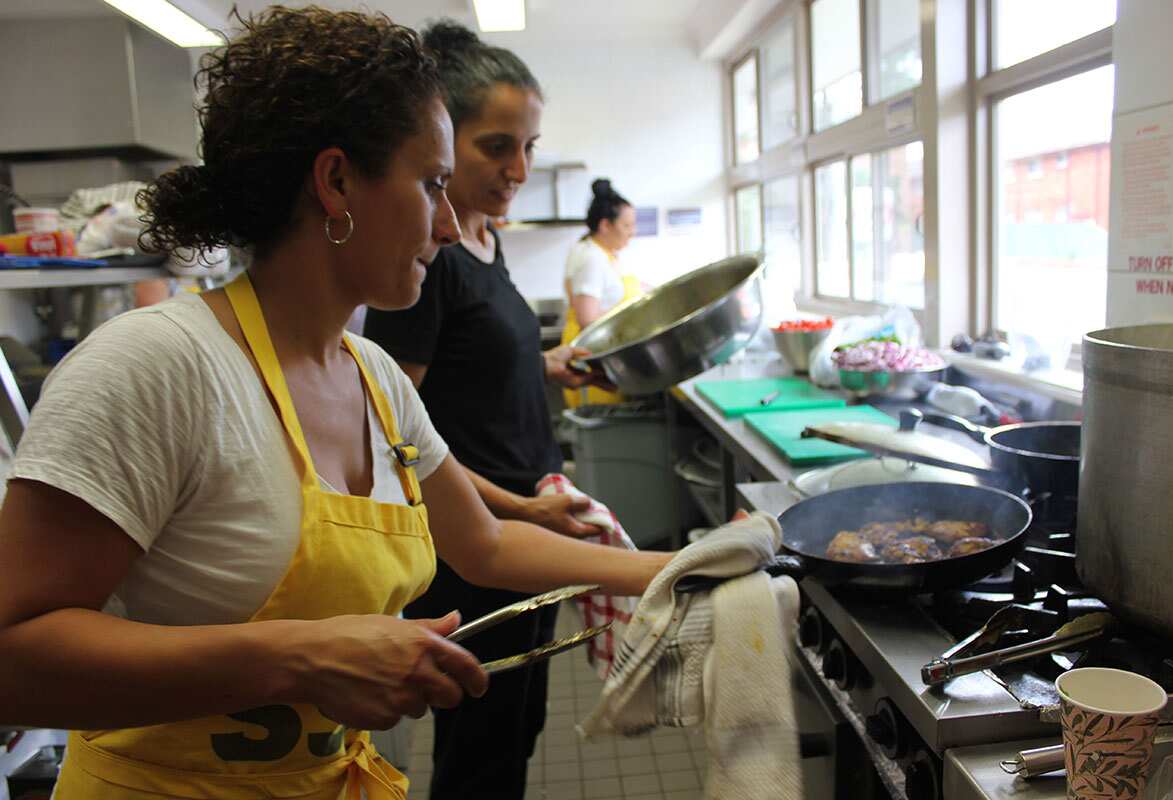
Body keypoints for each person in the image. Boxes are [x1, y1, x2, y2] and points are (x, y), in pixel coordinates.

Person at [0, 8, 672, 799]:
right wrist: (302, 658)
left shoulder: (376, 378)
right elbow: (12, 659)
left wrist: (676, 569)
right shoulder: (157, 368)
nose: (451, 227)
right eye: (432, 186)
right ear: (337, 181)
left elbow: (486, 545)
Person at [362, 20, 611, 800]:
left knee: (513, 733)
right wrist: (520, 513)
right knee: (481, 749)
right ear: (445, 137)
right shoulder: (426, 265)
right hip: (480, 547)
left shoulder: (484, 241)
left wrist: (544, 364)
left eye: (529, 147)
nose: (518, 167)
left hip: (525, 522)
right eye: (496, 146)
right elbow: (398, 429)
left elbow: (469, 364)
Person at [561, 179, 642, 407]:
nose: (632, 232)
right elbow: (587, 318)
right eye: (627, 226)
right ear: (605, 225)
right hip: (595, 359)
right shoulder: (592, 258)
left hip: (606, 355)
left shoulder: (605, 253)